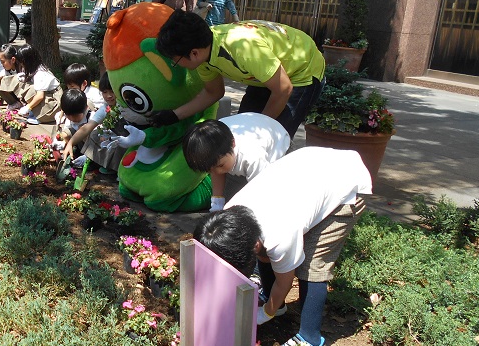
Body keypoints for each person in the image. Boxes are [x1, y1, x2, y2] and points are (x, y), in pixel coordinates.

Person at [193, 146, 372, 346]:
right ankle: (274, 302)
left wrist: (266, 313)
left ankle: (311, 343)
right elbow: (259, 252)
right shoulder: (229, 215)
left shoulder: (280, 235)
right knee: (268, 254)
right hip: (311, 171)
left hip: (346, 185)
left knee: (312, 264)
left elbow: (285, 281)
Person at [154, 12, 325, 137]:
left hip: (302, 70)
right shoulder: (204, 53)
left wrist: (260, 128)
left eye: (175, 60)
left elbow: (283, 88)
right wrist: (173, 115)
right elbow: (213, 92)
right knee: (240, 134)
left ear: (193, 53)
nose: (174, 64)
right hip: (267, 73)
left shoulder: (241, 48)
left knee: (272, 138)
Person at [182, 113, 290, 211]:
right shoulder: (215, 147)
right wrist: (217, 204)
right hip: (240, 148)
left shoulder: (252, 157)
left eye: (220, 165)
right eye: (209, 169)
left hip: (278, 145)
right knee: (230, 204)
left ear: (233, 144)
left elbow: (262, 188)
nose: (217, 172)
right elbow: (216, 170)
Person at [65, 72, 131, 174]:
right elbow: (87, 127)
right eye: (104, 92)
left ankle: (120, 170)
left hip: (133, 143)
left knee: (119, 142)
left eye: (112, 91)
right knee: (95, 134)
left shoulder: (128, 107)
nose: (109, 96)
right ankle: (105, 164)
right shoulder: (106, 108)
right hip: (117, 140)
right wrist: (70, 143)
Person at [0, 44, 62, 125]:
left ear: (27, 62)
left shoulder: (40, 73)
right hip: (48, 96)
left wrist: (28, 107)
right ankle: (35, 111)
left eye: (22, 63)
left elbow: (40, 96)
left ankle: (41, 115)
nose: (21, 65)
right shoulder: (34, 69)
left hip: (54, 102)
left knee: (30, 90)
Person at [55, 89, 92, 157]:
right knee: (64, 134)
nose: (72, 118)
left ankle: (85, 156)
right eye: (68, 115)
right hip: (75, 142)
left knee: (83, 129)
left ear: (86, 108)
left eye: (75, 116)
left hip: (88, 145)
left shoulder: (91, 117)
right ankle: (71, 151)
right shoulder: (66, 116)